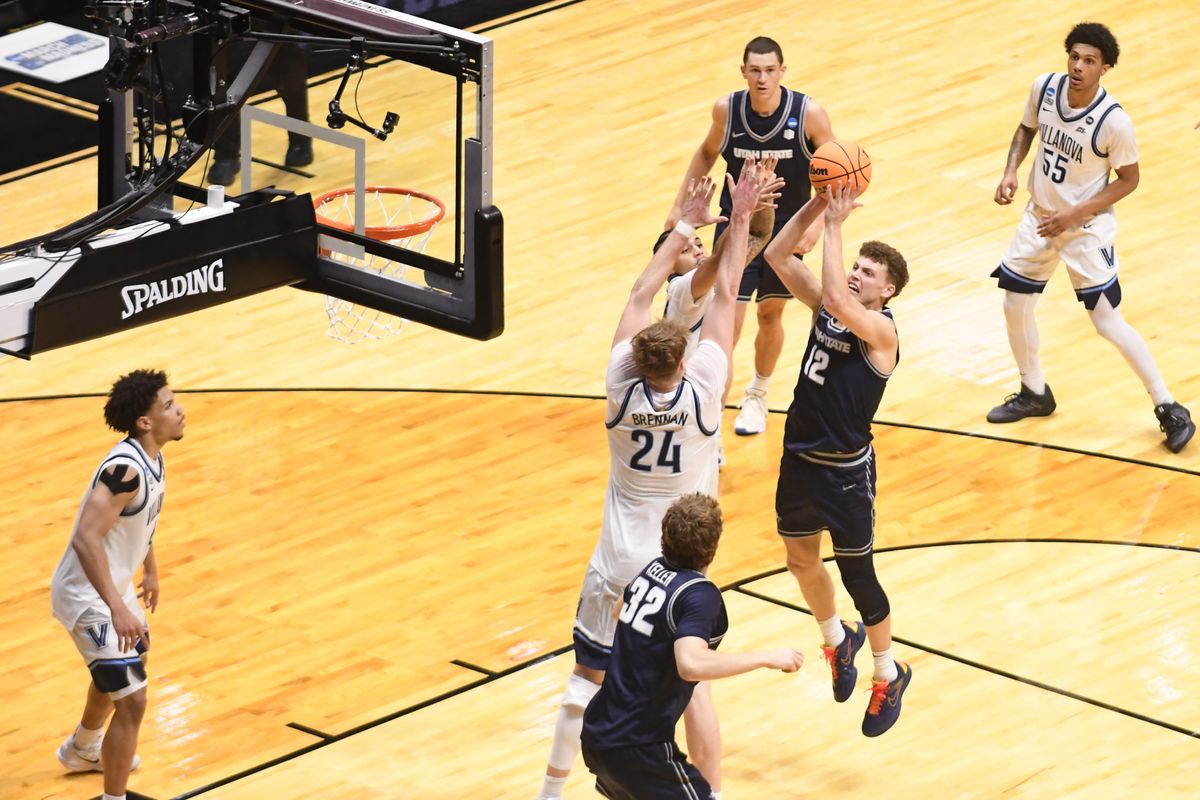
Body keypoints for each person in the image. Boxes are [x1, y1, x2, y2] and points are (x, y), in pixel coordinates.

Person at [536, 161, 769, 800]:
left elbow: (639, 296)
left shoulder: (617, 386)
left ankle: (551, 791)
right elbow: (728, 297)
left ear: (637, 359)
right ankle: (712, 793)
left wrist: (681, 226)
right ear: (684, 359)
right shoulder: (702, 397)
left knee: (585, 679)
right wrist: (741, 213)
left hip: (614, 560)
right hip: (668, 567)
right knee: (687, 689)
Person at [987, 22, 1193, 452]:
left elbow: (1130, 180)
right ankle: (1034, 392)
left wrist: (1075, 212)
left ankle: (1169, 405)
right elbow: (1026, 129)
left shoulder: (1114, 122)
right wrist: (1010, 171)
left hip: (1085, 227)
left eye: (1090, 61)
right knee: (1014, 302)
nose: (1079, 66)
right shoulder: (1044, 89)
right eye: (1075, 57)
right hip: (1041, 217)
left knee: (1107, 322)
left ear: (1105, 68)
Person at [763, 181, 913, 737]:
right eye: (855, 265)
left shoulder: (881, 333)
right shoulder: (830, 308)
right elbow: (778, 255)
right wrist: (820, 203)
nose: (856, 273)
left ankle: (887, 673)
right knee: (800, 561)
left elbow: (835, 300)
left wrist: (832, 227)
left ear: (888, 290)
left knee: (860, 576)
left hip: (845, 472)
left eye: (869, 272)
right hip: (799, 457)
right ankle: (838, 640)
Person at [580, 493, 804, 799]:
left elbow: (620, 608)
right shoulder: (700, 595)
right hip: (637, 747)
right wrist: (766, 657)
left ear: (665, 537)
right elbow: (691, 665)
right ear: (712, 547)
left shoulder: (651, 571)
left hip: (598, 732)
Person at [667, 36, 835, 437]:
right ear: (743, 71)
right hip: (737, 230)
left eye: (769, 70)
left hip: (785, 233)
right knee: (729, 321)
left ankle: (757, 394)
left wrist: (814, 224)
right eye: (754, 70)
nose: (762, 78)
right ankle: (713, 416)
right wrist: (680, 205)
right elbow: (706, 153)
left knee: (769, 314)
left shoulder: (809, 113)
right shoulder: (727, 110)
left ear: (782, 71)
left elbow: (835, 169)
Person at [51, 370, 186, 800]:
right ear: (144, 421)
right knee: (133, 699)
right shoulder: (125, 469)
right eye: (167, 405)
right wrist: (117, 606)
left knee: (118, 674)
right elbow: (85, 537)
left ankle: (84, 748)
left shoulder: (153, 457)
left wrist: (150, 568)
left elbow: (137, 522)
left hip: (113, 585)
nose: (179, 409)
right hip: (87, 594)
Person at [208, 42, 313, 186]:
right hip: (228, 28)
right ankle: (226, 156)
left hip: (275, 23)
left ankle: (300, 140)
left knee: (290, 76)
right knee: (222, 84)